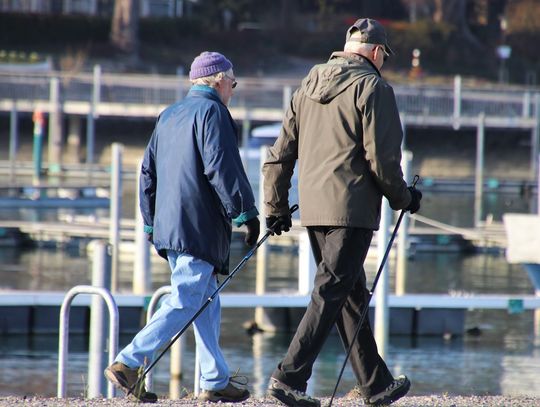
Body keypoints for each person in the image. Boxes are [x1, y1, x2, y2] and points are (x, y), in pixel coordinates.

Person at [262, 18, 422, 407]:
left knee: (349, 295)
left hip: (315, 209)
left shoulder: (307, 85)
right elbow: (383, 160)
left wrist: (275, 206)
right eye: (384, 55)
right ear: (376, 52)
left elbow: (280, 154)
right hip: (351, 210)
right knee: (332, 292)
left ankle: (375, 382)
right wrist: (405, 198)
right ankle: (289, 378)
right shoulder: (375, 88)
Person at [104, 51, 260, 403]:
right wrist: (246, 213)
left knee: (206, 300)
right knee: (187, 298)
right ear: (219, 81)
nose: (233, 90)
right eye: (232, 84)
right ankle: (129, 361)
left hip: (170, 225)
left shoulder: (169, 114)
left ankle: (214, 379)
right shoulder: (213, 112)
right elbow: (221, 166)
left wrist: (149, 221)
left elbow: (148, 172)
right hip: (198, 225)